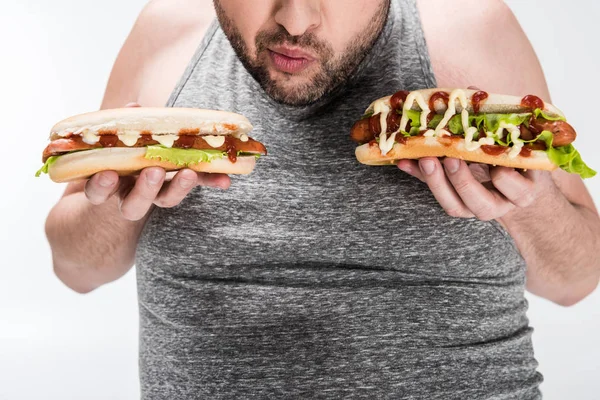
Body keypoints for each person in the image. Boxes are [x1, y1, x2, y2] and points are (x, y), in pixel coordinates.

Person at [45, 0, 600, 398]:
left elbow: (575, 282)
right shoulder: (165, 31)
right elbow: (77, 272)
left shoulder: (474, 26)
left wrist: (530, 204)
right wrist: (113, 204)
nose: (294, 20)